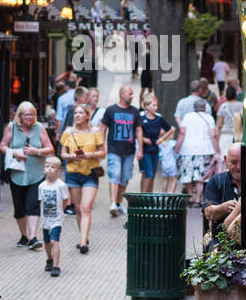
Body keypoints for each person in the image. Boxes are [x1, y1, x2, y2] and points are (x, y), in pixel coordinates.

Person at [0, 101, 54, 251]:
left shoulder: (40, 128)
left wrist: (37, 151)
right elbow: (2, 145)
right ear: (20, 116)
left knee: (33, 206)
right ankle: (24, 236)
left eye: (33, 114)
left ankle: (33, 237)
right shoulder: (12, 127)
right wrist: (14, 152)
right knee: (19, 209)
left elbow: (50, 148)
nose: (30, 117)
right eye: (27, 114)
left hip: (36, 174)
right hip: (17, 174)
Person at [60, 104, 105, 254]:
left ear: (87, 116)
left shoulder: (96, 131)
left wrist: (89, 155)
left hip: (90, 173)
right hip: (73, 173)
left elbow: (103, 152)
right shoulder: (68, 132)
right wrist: (73, 156)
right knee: (78, 209)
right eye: (76, 113)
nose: (77, 115)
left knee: (86, 208)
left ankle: (83, 241)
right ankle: (83, 236)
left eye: (81, 113)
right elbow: (63, 154)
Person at [102, 85, 144, 217]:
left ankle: (119, 203)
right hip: (114, 149)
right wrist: (101, 146)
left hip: (129, 151)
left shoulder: (135, 112)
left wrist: (140, 149)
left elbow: (139, 131)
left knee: (125, 178)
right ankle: (113, 203)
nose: (132, 96)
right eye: (130, 94)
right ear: (122, 94)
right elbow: (102, 128)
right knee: (115, 176)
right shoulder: (110, 110)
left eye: (132, 94)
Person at [175, 97, 218, 207]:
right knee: (201, 176)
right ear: (204, 108)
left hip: (187, 150)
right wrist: (217, 150)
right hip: (205, 149)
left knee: (188, 175)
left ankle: (191, 197)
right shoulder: (209, 118)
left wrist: (177, 147)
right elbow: (213, 135)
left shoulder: (187, 117)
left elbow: (182, 133)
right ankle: (198, 199)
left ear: (194, 108)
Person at [36, 156, 72, 277]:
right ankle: (49, 259)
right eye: (47, 167)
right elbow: (41, 202)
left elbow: (65, 200)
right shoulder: (41, 186)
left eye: (53, 167)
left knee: (54, 241)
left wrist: (61, 211)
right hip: (45, 219)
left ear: (58, 170)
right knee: (46, 242)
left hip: (56, 219)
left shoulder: (61, 185)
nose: (49, 169)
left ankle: (56, 266)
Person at [202, 146, 246, 239]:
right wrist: (223, 208)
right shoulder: (216, 180)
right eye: (234, 163)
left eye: (243, 162)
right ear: (225, 159)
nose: (238, 167)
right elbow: (207, 212)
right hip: (221, 237)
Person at [137, 92, 174, 193]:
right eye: (153, 105)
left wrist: (161, 139)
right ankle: (144, 196)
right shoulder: (141, 117)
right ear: (146, 106)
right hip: (144, 150)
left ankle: (148, 195)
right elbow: (136, 131)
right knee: (147, 173)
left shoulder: (158, 118)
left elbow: (170, 129)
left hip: (154, 149)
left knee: (151, 174)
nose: (155, 107)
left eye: (156, 105)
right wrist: (143, 139)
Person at [215, 84, 243, 153]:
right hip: (239, 135)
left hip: (225, 136)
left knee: (225, 158)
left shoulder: (222, 106)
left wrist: (217, 139)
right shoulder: (241, 105)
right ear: (235, 94)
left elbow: (219, 125)